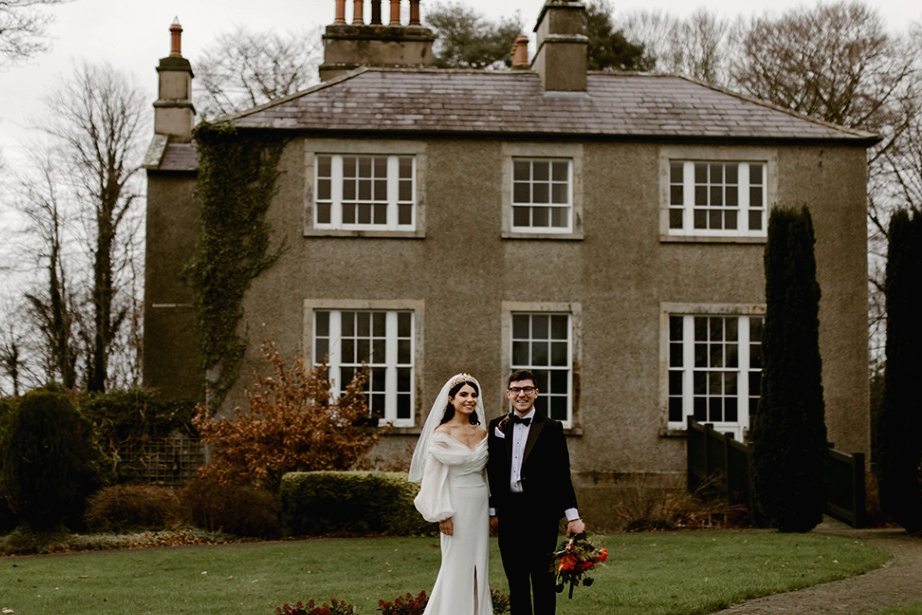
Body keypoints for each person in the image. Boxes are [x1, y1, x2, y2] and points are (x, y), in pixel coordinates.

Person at [487, 369, 585, 615]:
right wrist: (492, 511)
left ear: (536, 393)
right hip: (509, 515)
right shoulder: (496, 427)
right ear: (509, 394)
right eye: (517, 389)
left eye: (527, 389)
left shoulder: (551, 427)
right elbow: (493, 471)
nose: (522, 394)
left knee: (543, 581)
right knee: (516, 582)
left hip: (542, 516)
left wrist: (572, 517)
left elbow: (562, 473)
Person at [409, 373, 492, 615]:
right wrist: (443, 514)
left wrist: (492, 508)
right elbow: (434, 478)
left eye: (474, 395)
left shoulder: (483, 432)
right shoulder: (442, 432)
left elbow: (488, 474)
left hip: (478, 504)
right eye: (464, 394)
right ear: (451, 399)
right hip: (454, 504)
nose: (470, 399)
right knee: (456, 565)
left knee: (479, 566)